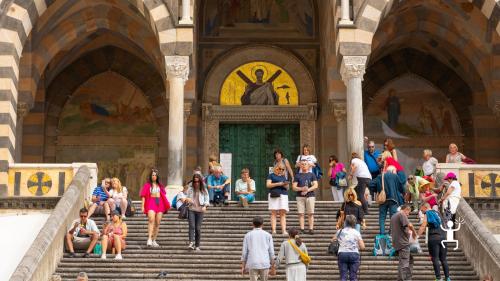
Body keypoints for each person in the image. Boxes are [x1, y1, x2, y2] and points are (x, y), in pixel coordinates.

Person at [417, 203, 450, 281]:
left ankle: (438, 278)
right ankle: (447, 277)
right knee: (443, 259)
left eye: (421, 209)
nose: (421, 211)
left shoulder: (428, 213)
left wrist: (417, 236)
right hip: (443, 237)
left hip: (434, 238)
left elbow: (423, 226)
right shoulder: (438, 213)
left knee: (435, 258)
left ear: (425, 207)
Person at [140, 168, 170, 247]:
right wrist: (142, 206)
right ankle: (149, 238)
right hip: (151, 202)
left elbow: (164, 194)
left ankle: (154, 240)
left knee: (157, 222)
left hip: (159, 203)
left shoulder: (160, 185)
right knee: (151, 219)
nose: (154, 176)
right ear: (150, 176)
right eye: (152, 175)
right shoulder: (147, 185)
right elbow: (143, 196)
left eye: (155, 175)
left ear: (157, 176)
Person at [373, 166, 405, 234]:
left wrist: (378, 190)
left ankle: (382, 233)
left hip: (383, 199)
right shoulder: (395, 176)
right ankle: (391, 232)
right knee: (393, 217)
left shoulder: (379, 176)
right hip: (393, 199)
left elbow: (371, 184)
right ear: (393, 170)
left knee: (382, 217)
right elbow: (401, 187)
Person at [241, 216, 276, 281]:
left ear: (253, 224)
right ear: (262, 224)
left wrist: (243, 266)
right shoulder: (268, 235)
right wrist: (273, 267)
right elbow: (271, 252)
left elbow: (244, 252)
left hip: (252, 262)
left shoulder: (248, 235)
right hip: (264, 262)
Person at [333, 215, 365, 281]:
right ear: (354, 223)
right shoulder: (356, 232)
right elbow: (362, 247)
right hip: (354, 254)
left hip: (342, 254)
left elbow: (333, 240)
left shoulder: (340, 231)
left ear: (345, 222)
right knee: (353, 277)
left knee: (343, 276)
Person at [391, 204, 416, 281]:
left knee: (410, 260)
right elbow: (409, 225)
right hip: (403, 243)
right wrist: (414, 231)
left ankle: (408, 278)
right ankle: (402, 279)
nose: (408, 214)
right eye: (408, 212)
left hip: (397, 242)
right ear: (406, 209)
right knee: (404, 263)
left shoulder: (393, 216)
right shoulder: (402, 214)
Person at [293, 159, 318, 234]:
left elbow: (316, 185)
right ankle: (302, 229)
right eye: (302, 164)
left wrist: (307, 190)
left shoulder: (312, 175)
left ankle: (311, 229)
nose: (304, 165)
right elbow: (294, 187)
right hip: (300, 197)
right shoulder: (297, 175)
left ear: (308, 165)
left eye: (305, 164)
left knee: (310, 213)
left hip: (310, 196)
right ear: (300, 165)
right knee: (301, 213)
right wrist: (301, 189)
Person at [186, 173, 210, 250]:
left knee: (198, 228)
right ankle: (191, 243)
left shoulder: (204, 189)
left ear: (200, 182)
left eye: (198, 182)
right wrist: (187, 200)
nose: (196, 183)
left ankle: (197, 245)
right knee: (192, 226)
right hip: (191, 209)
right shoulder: (190, 189)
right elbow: (186, 198)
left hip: (200, 211)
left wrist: (205, 206)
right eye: (195, 182)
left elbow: (207, 200)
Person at [266, 164, 289, 235]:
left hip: (283, 195)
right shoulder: (271, 175)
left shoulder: (283, 176)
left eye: (283, 169)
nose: (281, 170)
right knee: (273, 213)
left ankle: (284, 230)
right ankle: (273, 230)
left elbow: (287, 188)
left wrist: (285, 185)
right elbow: (268, 185)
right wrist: (278, 184)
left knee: (283, 214)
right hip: (274, 195)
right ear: (275, 168)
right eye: (279, 169)